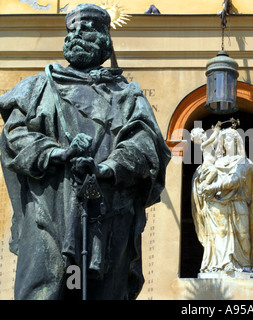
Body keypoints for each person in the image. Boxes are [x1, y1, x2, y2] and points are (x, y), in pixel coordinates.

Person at [0, 4, 171, 299]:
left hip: (109, 212)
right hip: (49, 208)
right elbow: (14, 136)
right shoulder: (37, 88)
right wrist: (56, 154)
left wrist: (108, 168)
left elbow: (145, 146)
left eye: (88, 28)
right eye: (72, 29)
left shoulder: (127, 96)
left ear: (105, 38)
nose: (77, 34)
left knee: (104, 292)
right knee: (42, 290)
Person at [191, 126, 253, 276]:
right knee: (221, 235)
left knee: (243, 234)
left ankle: (244, 264)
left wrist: (211, 187)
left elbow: (235, 180)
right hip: (218, 205)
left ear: (237, 142)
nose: (226, 143)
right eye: (224, 140)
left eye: (229, 140)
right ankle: (220, 265)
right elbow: (204, 175)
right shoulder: (216, 163)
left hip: (239, 202)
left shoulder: (244, 162)